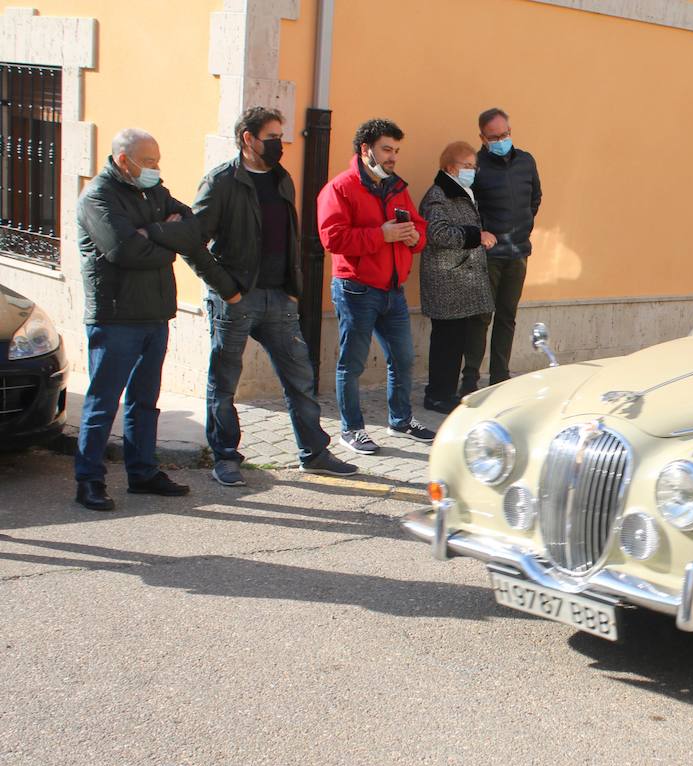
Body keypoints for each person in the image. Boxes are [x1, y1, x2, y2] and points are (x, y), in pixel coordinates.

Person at [188, 106, 357, 485]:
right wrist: (227, 289)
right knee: (225, 381)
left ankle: (314, 452)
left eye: (283, 136)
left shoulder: (283, 179)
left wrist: (291, 289)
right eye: (272, 137)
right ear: (248, 139)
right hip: (235, 299)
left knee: (300, 376)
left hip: (279, 298)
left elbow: (289, 236)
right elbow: (192, 243)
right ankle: (226, 456)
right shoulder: (220, 183)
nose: (281, 144)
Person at [73, 128, 199, 511]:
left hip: (154, 313)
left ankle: (142, 473)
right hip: (116, 317)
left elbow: (192, 226)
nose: (156, 168)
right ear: (123, 160)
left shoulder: (154, 191)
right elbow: (124, 250)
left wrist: (154, 233)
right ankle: (89, 480)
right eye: (148, 161)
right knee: (103, 401)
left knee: (145, 401)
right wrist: (166, 244)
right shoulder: (97, 198)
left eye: (158, 160)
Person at [317, 118, 434, 455]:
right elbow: (332, 238)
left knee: (403, 359)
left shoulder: (397, 187)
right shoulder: (339, 188)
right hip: (356, 289)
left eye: (396, 150)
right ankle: (351, 429)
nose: (392, 157)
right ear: (365, 150)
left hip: (393, 290)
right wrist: (379, 235)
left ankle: (401, 421)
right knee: (351, 364)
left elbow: (419, 228)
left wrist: (415, 237)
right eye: (386, 149)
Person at [419, 141, 497, 412]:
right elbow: (437, 233)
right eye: (467, 166)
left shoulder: (462, 192)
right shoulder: (439, 195)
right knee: (446, 342)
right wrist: (477, 236)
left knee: (455, 342)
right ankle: (437, 394)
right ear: (450, 167)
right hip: (447, 282)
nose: (472, 171)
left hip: (460, 283)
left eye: (474, 166)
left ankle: (446, 391)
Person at [472, 107, 542, 387]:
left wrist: (523, 227)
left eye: (505, 134)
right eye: (494, 136)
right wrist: (482, 232)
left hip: (518, 253)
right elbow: (469, 206)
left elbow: (535, 198)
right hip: (489, 256)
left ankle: (500, 377)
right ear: (482, 137)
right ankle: (470, 379)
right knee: (480, 318)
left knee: (507, 317)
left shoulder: (526, 161)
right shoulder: (475, 165)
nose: (501, 140)